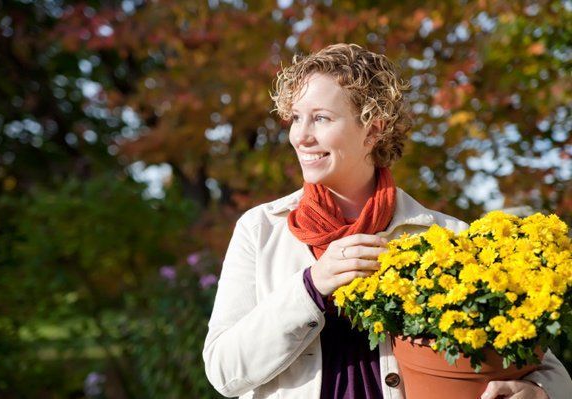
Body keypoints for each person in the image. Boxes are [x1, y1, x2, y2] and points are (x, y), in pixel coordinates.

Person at [202, 43, 571, 399]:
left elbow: (544, 364)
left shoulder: (446, 236)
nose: (301, 135)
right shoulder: (261, 229)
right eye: (296, 118)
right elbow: (223, 371)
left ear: (373, 129)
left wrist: (540, 392)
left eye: (321, 118)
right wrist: (312, 286)